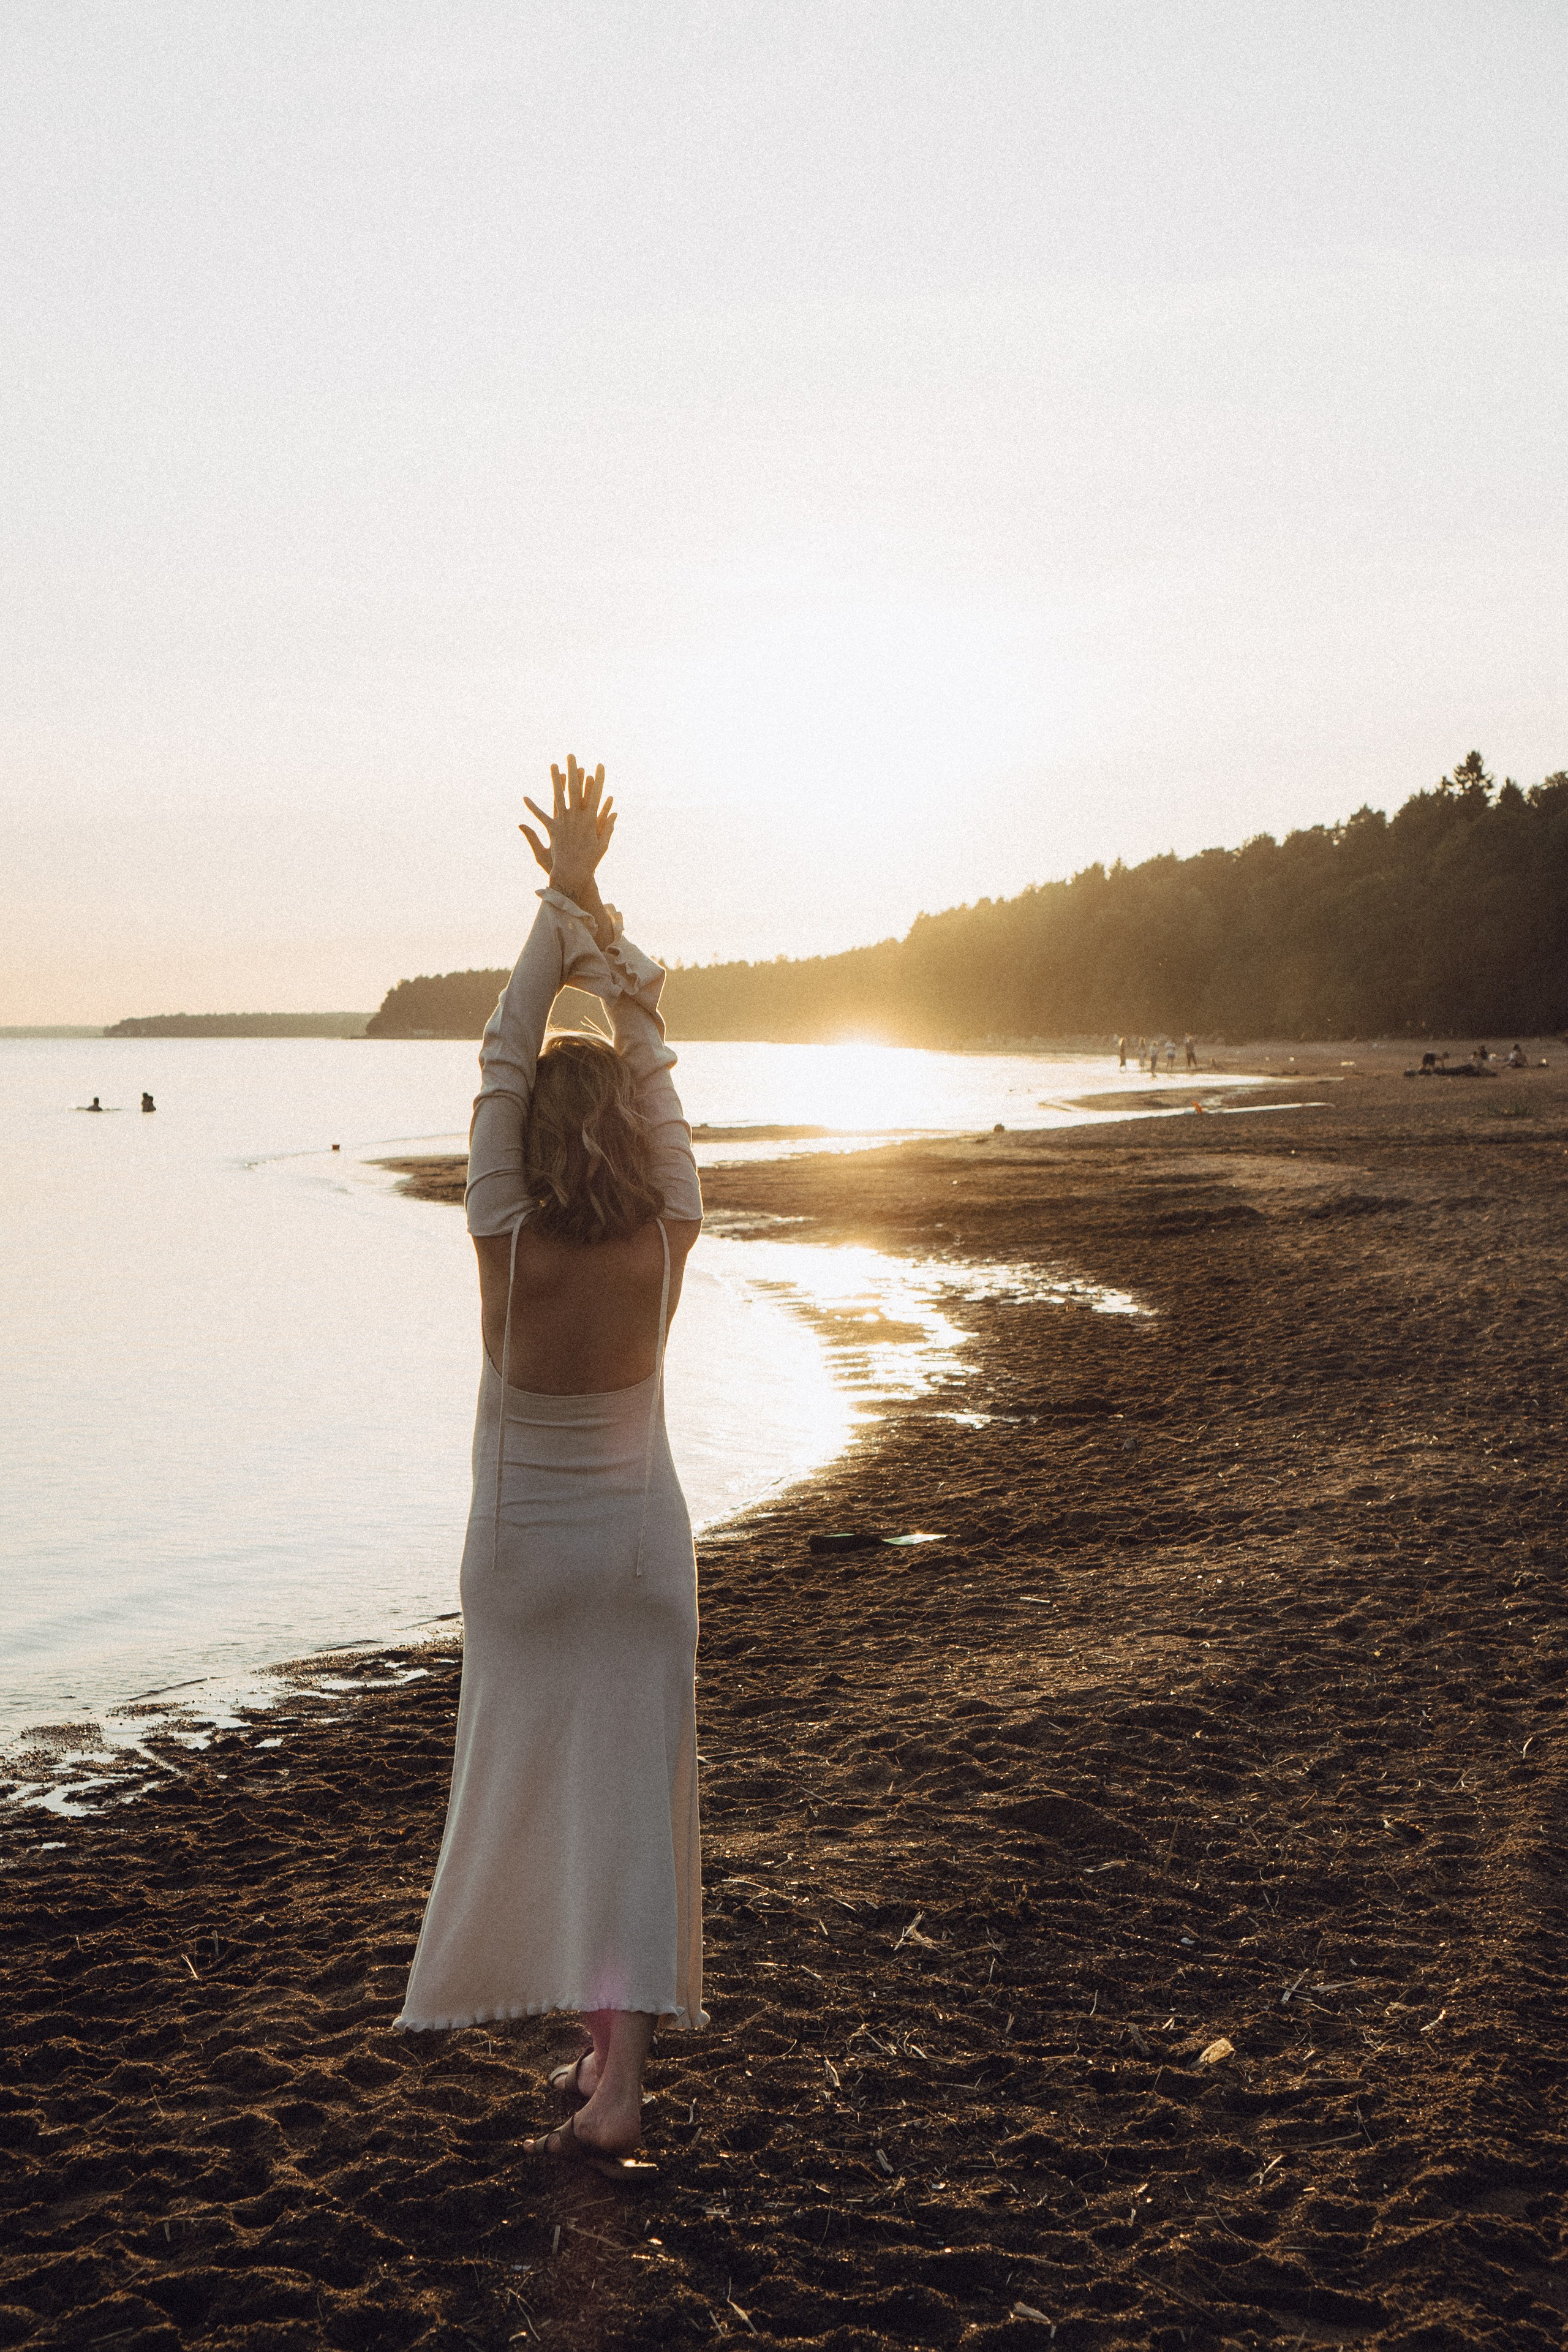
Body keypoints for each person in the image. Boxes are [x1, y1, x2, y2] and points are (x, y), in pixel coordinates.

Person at [396, 758, 705, 2175]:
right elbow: (651, 1091)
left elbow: (498, 1057)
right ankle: (613, 2072)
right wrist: (615, 961)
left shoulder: (502, 1241)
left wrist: (557, 907)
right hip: (637, 1556)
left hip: (524, 1563)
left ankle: (596, 2061)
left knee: (541, 1789)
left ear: (523, 1144)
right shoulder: (666, 1243)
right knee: (630, 1803)